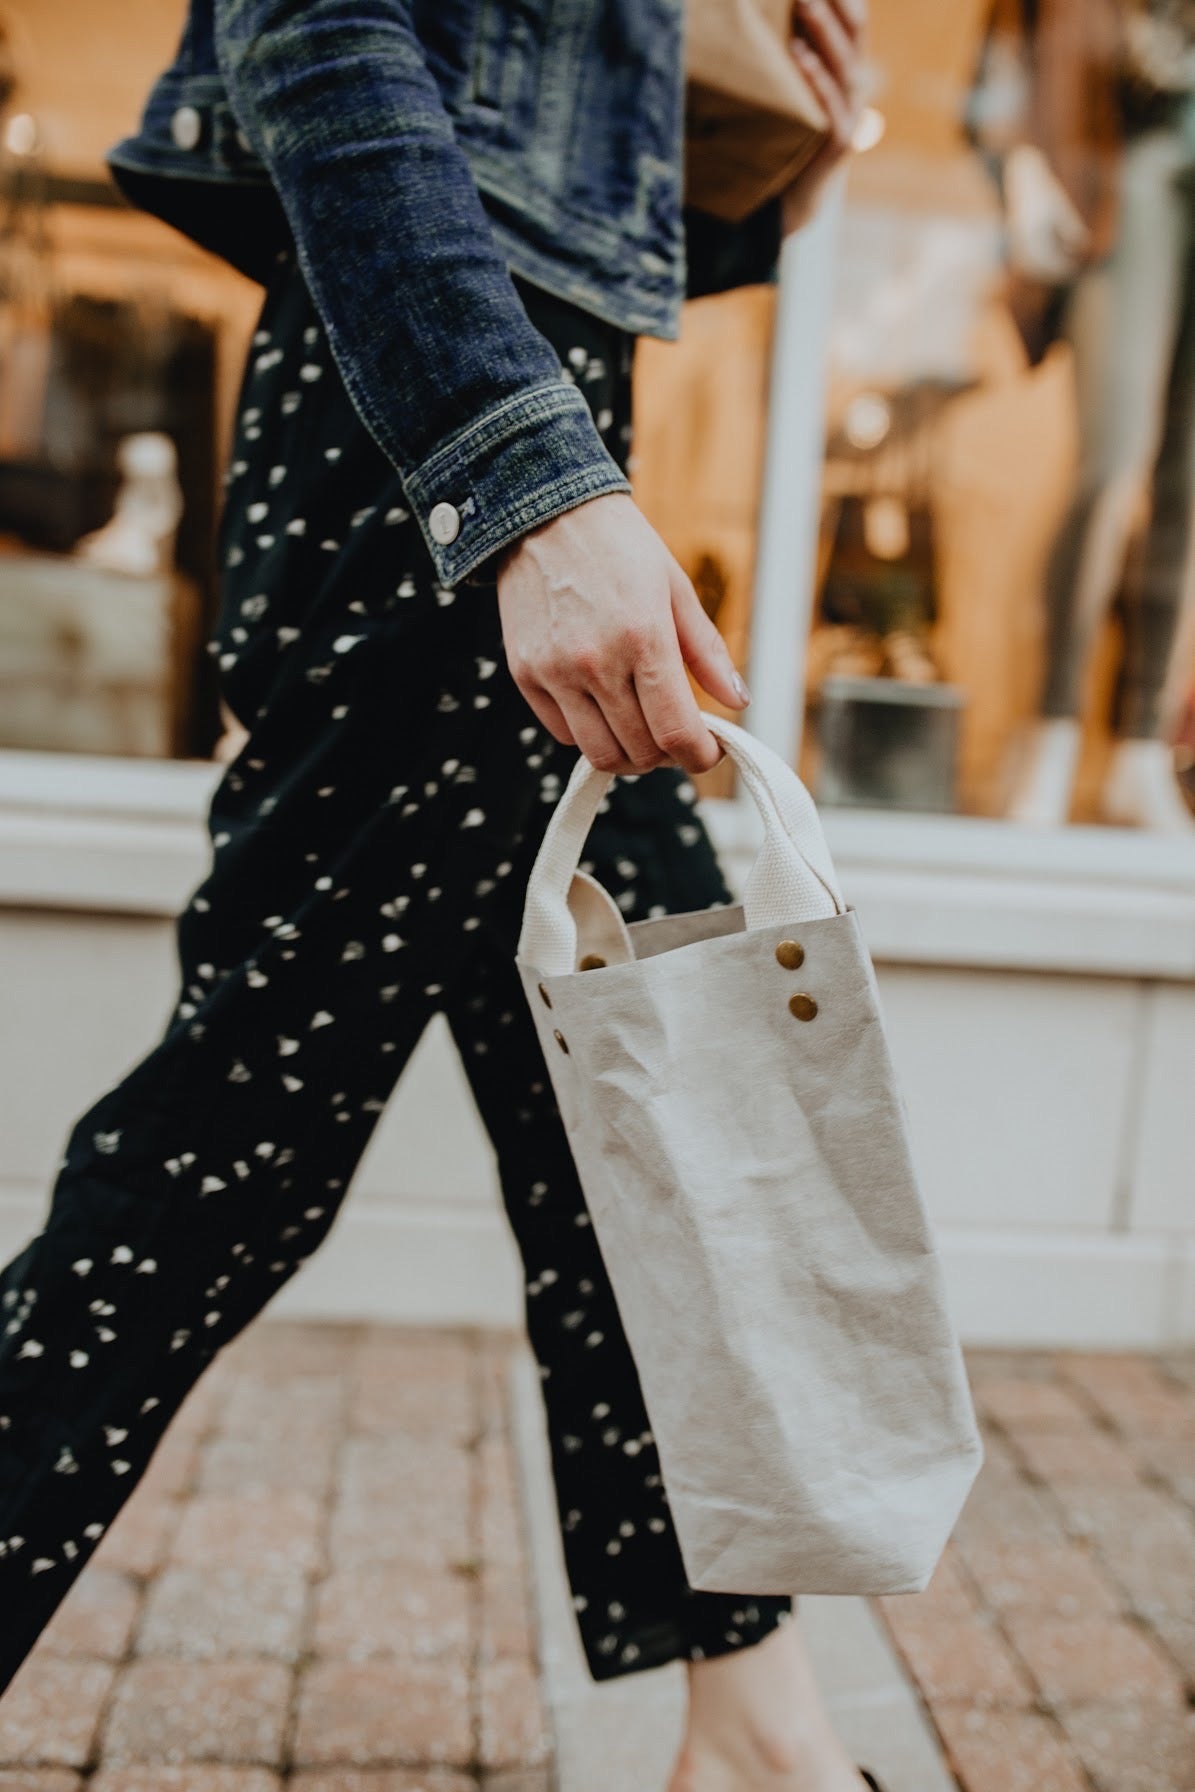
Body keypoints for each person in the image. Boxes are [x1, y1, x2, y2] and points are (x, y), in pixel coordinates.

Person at [0, 4, 875, 1787]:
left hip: (501, 407)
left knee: (635, 1118)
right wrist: (527, 488)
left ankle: (760, 1725)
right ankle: (763, 1735)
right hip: (438, 432)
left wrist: (784, 150)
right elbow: (314, 23)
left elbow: (573, 198)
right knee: (235, 1142)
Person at [973, 0, 1195, 830]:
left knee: (1187, 491)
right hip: (1119, 178)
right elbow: (997, 66)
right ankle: (1051, 729)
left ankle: (1140, 747)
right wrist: (1019, 168)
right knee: (1109, 467)